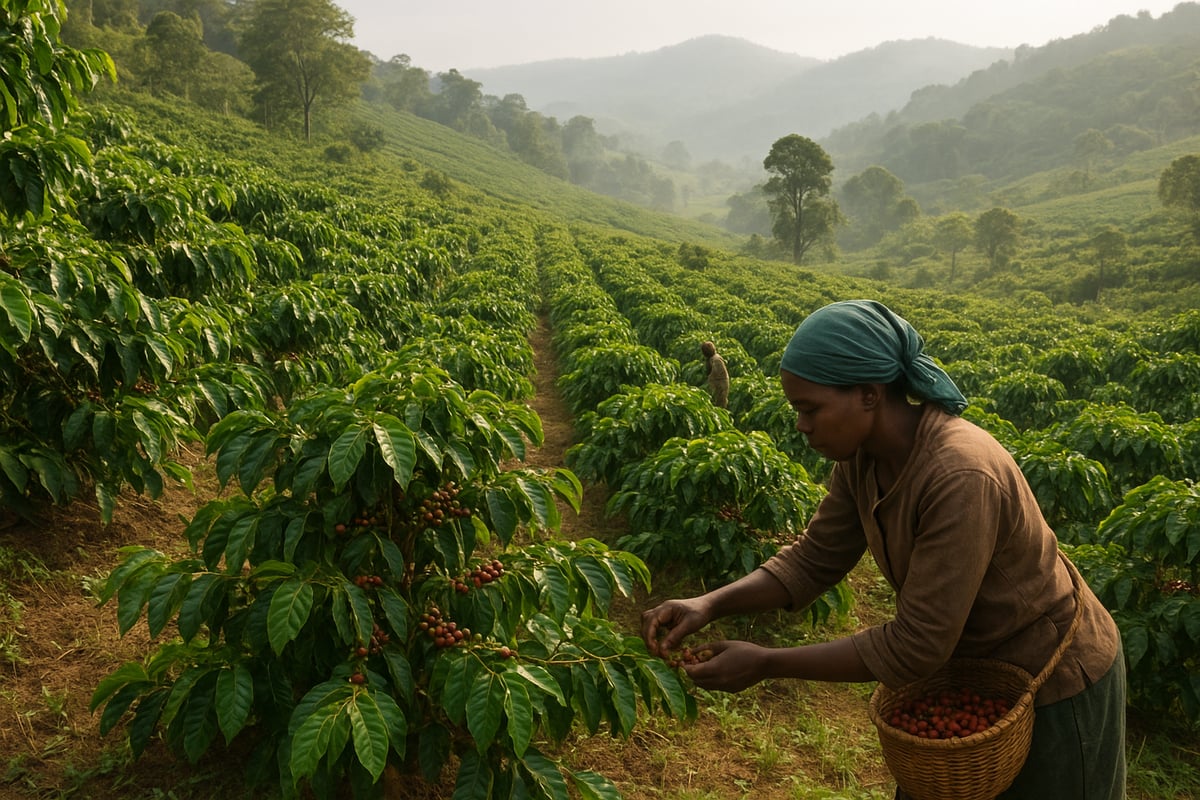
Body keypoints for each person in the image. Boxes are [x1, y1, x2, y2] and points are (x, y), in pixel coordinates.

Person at [643, 300, 1126, 799]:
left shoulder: (959, 475)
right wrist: (709, 603)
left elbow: (917, 644)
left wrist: (767, 661)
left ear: (870, 395)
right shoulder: (861, 460)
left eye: (811, 409)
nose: (801, 426)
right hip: (967, 671)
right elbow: (814, 558)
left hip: (1052, 680)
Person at [700, 340, 730, 409]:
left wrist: (709, 380)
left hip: (720, 385)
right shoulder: (712, 358)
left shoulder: (716, 360)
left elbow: (715, 374)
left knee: (720, 404)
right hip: (718, 384)